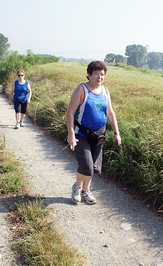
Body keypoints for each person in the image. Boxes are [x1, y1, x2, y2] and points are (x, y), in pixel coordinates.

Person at [66, 61, 121, 204]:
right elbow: (70, 112)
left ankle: (86, 191)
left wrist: (116, 132)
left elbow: (110, 113)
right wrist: (71, 133)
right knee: (87, 165)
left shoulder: (105, 91)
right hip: (82, 133)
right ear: (89, 75)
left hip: (99, 134)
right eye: (96, 74)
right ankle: (77, 187)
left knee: (94, 167)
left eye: (102, 74)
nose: (99, 77)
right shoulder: (81, 89)